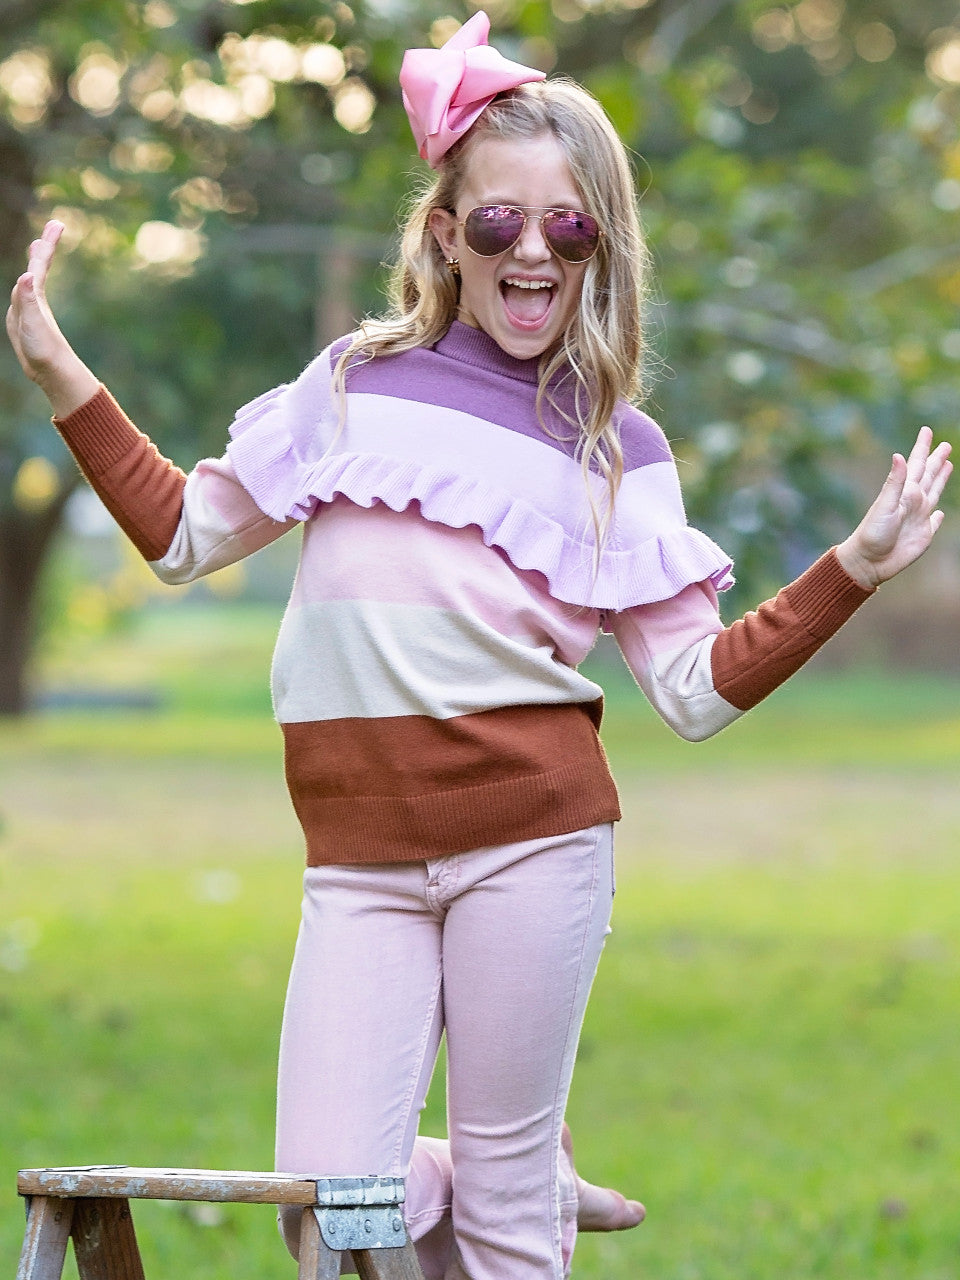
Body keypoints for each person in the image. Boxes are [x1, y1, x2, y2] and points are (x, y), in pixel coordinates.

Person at [6, 12, 951, 1280]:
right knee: (326, 1205)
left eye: (567, 227)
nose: (531, 252)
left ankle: (508, 1181)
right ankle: (471, 1169)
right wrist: (66, 377)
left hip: (535, 844)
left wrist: (852, 571)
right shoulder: (347, 385)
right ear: (445, 235)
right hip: (358, 857)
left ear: (600, 246)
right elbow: (182, 533)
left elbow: (690, 687)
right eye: (498, 222)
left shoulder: (618, 449)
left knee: (508, 1235)